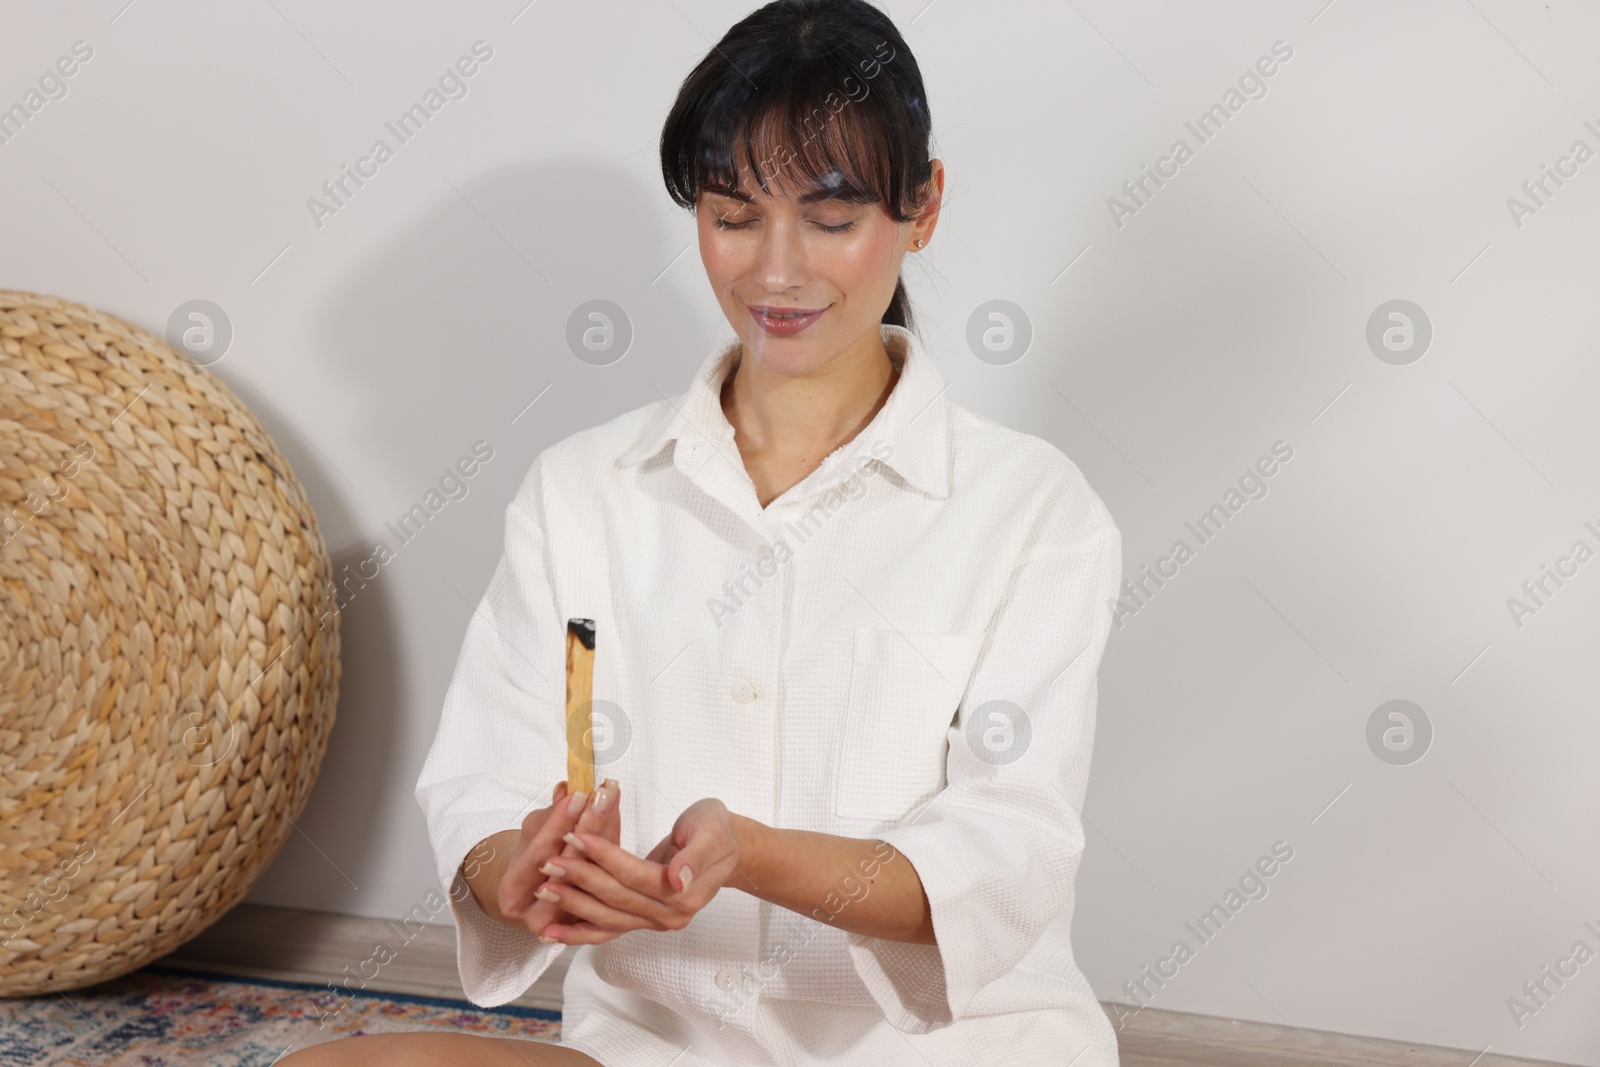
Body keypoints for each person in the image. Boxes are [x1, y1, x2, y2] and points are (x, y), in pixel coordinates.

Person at [281, 0, 1123, 1063]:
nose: (775, 273)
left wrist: (751, 852)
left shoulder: (1031, 508)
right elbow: (485, 789)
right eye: (732, 215)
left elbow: (1004, 854)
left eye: (829, 219)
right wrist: (528, 869)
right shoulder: (582, 488)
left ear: (922, 207)